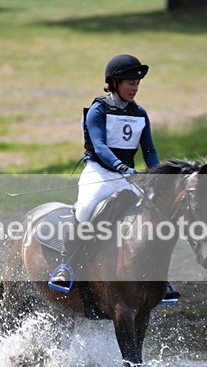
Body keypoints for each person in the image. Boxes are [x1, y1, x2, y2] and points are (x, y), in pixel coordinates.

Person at [48, 54, 180, 304]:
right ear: (115, 82)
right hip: (99, 172)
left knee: (153, 214)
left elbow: (149, 151)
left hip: (127, 177)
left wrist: (156, 176)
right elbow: (98, 145)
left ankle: (159, 279)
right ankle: (66, 267)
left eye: (137, 84)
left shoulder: (140, 114)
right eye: (130, 82)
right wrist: (119, 165)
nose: (135, 88)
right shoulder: (98, 110)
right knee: (85, 210)